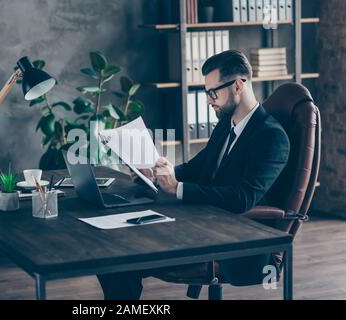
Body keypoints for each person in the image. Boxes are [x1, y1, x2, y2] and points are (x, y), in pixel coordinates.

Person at [97, 50, 290, 300]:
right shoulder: (226, 123)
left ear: (239, 85)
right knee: (112, 250)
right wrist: (157, 173)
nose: (209, 101)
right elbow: (198, 168)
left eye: (213, 92)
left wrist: (176, 188)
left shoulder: (272, 137)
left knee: (121, 258)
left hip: (237, 244)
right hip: (204, 224)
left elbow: (243, 198)